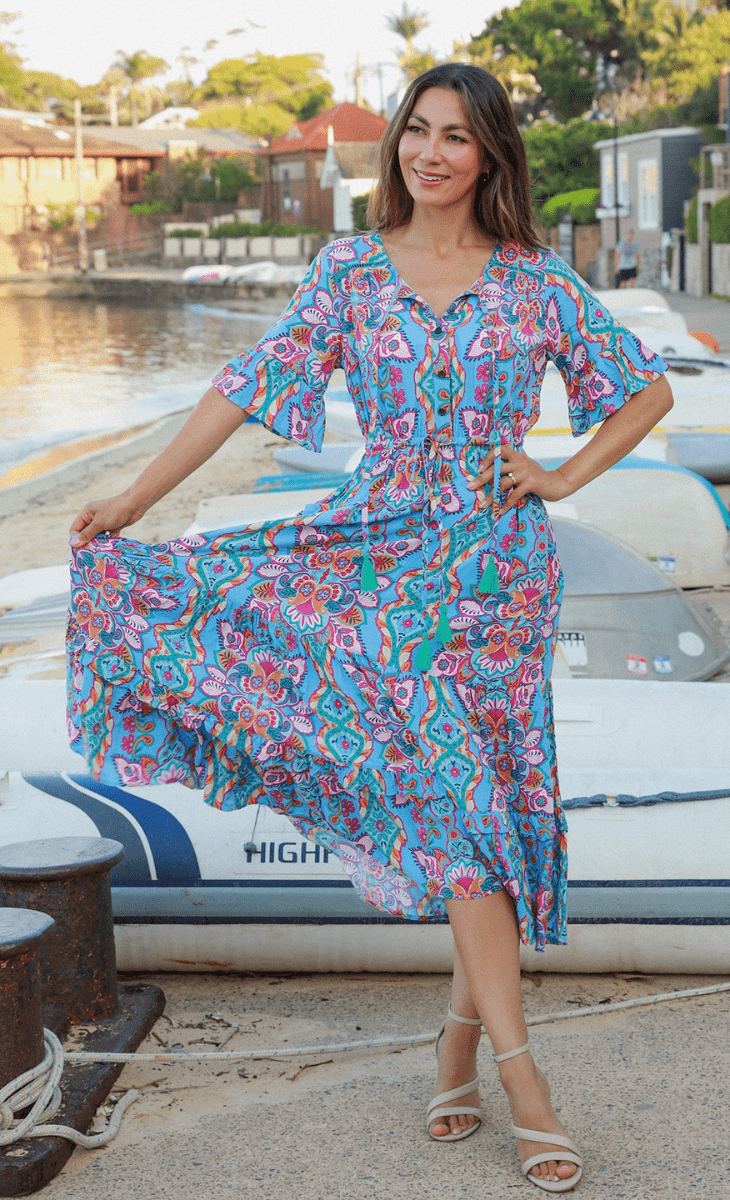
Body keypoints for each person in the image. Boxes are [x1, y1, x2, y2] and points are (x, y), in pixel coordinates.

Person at [68, 63, 672, 1192]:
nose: (429, 153)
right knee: (464, 813)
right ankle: (524, 1085)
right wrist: (137, 500)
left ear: (489, 155)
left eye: (455, 137)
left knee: (484, 811)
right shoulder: (349, 270)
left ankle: (455, 1051)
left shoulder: (534, 281)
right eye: (416, 131)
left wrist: (557, 475)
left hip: (499, 579)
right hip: (381, 567)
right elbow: (245, 385)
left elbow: (645, 391)